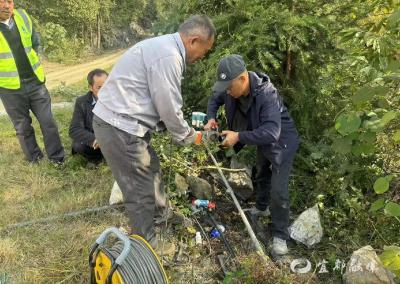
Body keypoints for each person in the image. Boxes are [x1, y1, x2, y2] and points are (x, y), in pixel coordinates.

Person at [92, 15, 215, 252]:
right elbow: (168, 105)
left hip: (123, 125)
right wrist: (190, 136)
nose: (202, 57)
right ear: (194, 41)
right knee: (139, 191)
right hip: (120, 128)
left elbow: (155, 101)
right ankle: (147, 249)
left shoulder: (165, 48)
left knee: (152, 168)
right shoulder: (169, 56)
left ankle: (162, 215)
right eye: (205, 51)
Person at [204, 54, 299, 256]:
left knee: (278, 190)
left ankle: (280, 235)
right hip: (260, 138)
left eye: (229, 87)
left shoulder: (267, 95)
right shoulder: (231, 90)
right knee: (261, 173)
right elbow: (214, 98)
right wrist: (211, 118)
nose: (227, 92)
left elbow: (272, 132)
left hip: (281, 142)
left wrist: (238, 136)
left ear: (243, 79)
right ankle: (262, 207)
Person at [0, 0, 64, 164]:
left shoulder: (22, 16)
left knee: (48, 122)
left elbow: (36, 41)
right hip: (9, 89)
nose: (7, 5)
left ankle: (57, 158)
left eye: (9, 1)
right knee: (23, 127)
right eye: (1, 1)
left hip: (35, 83)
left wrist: (39, 56)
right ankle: (34, 158)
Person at [69, 69, 108, 165]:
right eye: (99, 87)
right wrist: (94, 138)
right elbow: (74, 129)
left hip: (111, 139)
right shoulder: (82, 102)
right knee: (78, 145)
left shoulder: (117, 99)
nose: (104, 91)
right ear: (90, 87)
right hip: (95, 143)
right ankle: (95, 159)